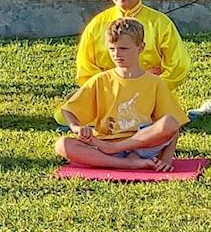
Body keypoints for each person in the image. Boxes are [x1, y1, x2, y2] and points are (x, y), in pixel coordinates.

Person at [56, 18, 187, 171]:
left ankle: (125, 154)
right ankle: (127, 163)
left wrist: (166, 160)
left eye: (123, 48)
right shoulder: (100, 80)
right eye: (112, 49)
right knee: (62, 145)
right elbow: (68, 110)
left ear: (140, 48)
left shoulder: (155, 82)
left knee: (169, 122)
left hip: (142, 147)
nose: (117, 54)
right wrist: (76, 127)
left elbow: (173, 127)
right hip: (104, 144)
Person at [76, 0, 191, 92]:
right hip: (108, 95)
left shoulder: (159, 23)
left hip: (151, 94)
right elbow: (86, 68)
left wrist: (150, 86)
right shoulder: (97, 24)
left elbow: (178, 66)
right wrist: (112, 86)